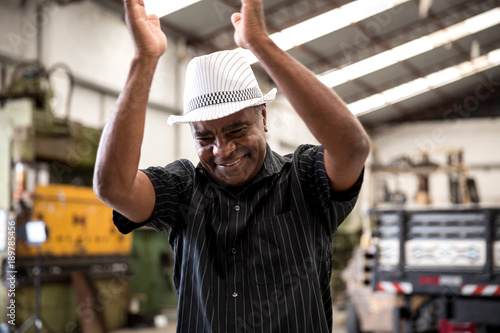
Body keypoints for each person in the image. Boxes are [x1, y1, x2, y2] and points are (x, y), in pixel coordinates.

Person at [93, 0, 370, 331]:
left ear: (263, 117)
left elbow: (353, 148)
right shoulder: (181, 188)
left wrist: (260, 44)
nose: (222, 149)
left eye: (237, 130)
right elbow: (113, 187)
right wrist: (144, 61)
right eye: (204, 137)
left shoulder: (303, 179)